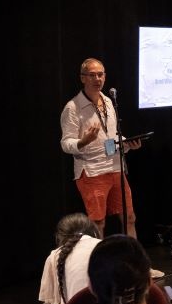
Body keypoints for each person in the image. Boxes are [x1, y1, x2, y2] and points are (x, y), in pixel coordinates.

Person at [60, 57, 142, 239]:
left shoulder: (108, 101)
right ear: (82, 78)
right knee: (98, 223)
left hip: (115, 167)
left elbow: (111, 137)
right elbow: (66, 143)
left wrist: (127, 144)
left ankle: (133, 257)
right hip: (92, 171)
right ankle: (99, 258)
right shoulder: (73, 108)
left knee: (129, 217)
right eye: (92, 75)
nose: (97, 79)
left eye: (100, 75)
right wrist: (84, 141)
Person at [38, 212, 101, 304]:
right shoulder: (107, 246)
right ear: (94, 231)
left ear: (60, 236)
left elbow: (46, 302)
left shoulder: (55, 256)